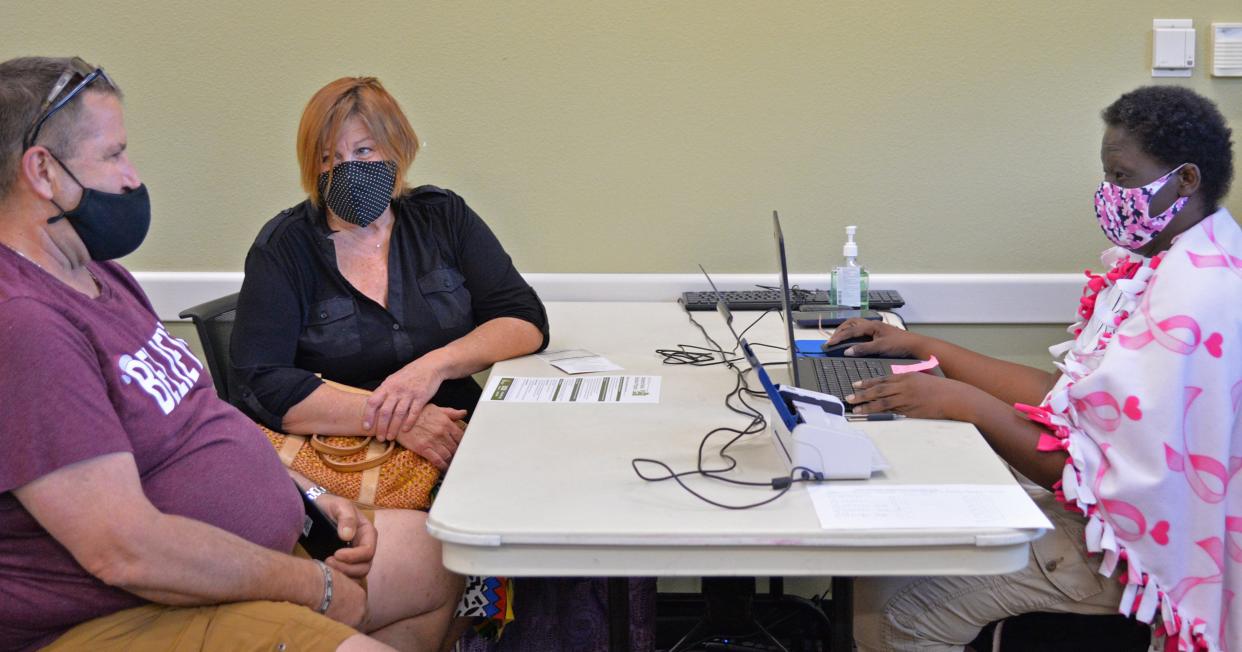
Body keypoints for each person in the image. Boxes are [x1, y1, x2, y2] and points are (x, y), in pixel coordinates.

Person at [0, 56, 460, 652]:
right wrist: (313, 586)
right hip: (130, 610)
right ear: (42, 171)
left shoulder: (101, 276)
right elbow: (126, 551)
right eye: (113, 155)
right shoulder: (24, 325)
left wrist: (311, 496)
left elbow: (201, 420)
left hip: (246, 556)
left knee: (435, 555)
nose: (132, 177)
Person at [837, 86, 1239, 651]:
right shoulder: (1165, 264)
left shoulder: (1196, 301)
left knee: (901, 616)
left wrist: (963, 405)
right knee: (882, 563)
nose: (1108, 195)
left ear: (1186, 179)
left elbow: (1102, 486)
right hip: (1099, 512)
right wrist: (933, 350)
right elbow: (1067, 395)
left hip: (1128, 549)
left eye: (1122, 178)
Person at [228, 76, 548, 468]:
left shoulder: (443, 217)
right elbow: (262, 384)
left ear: (398, 150)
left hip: (461, 435)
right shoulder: (283, 248)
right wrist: (394, 419)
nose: (348, 170)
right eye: (330, 158)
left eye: (363, 151)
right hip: (349, 457)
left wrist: (431, 367)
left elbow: (522, 319)